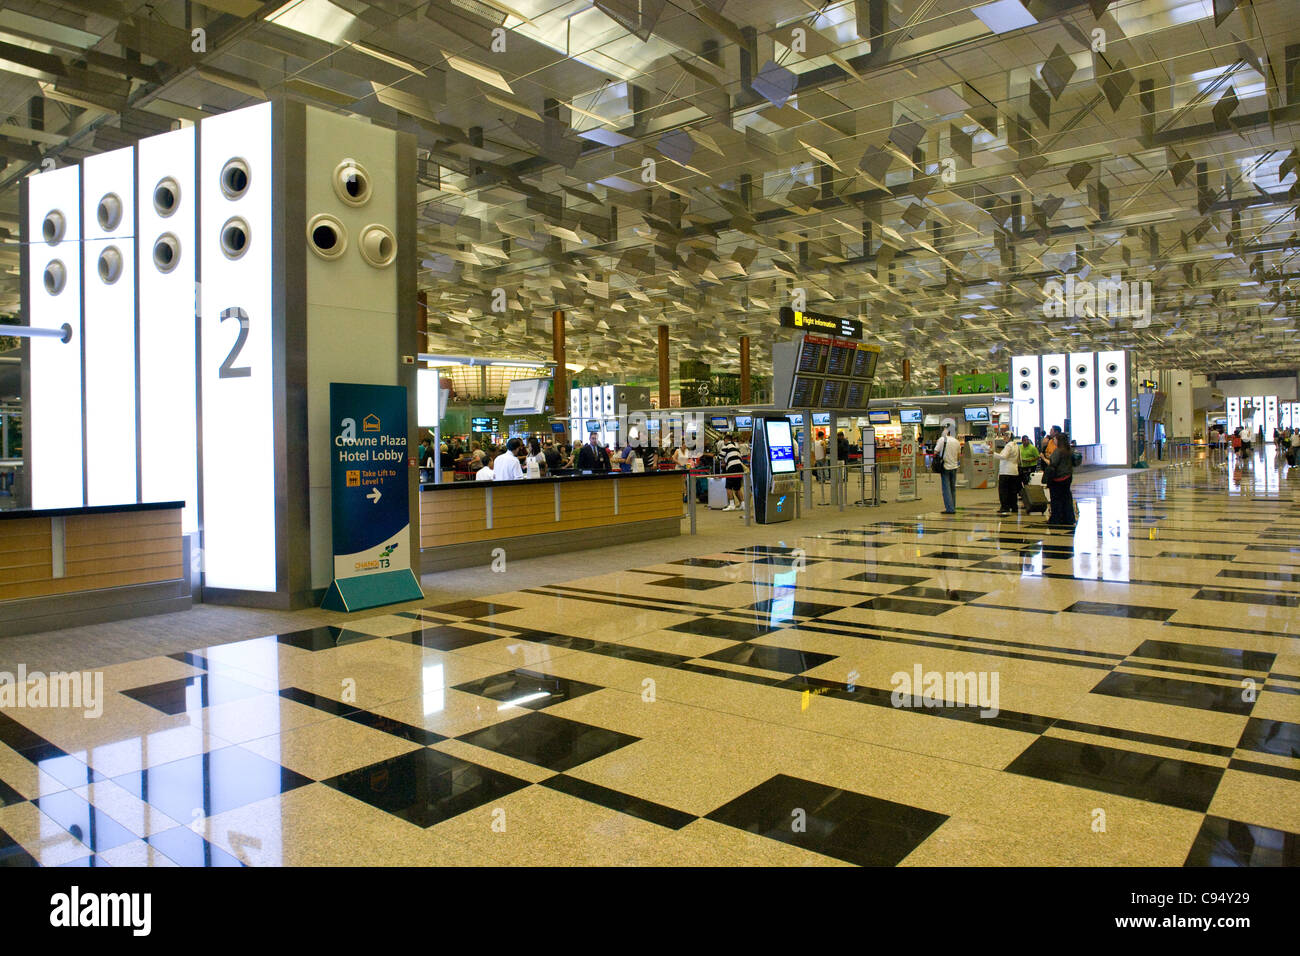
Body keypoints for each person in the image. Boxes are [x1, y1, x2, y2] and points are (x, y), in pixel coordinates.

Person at [1044, 430, 1075, 526]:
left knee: (1056, 500)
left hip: (1057, 479)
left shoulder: (1058, 451)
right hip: (1068, 477)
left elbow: (1052, 464)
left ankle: (1056, 518)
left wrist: (1043, 458)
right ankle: (1068, 518)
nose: (1054, 441)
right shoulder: (1069, 450)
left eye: (1055, 439)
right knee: (1066, 499)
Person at [934, 425, 960, 514]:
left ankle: (950, 509)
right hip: (954, 466)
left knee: (946, 489)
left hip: (945, 466)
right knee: (953, 488)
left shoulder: (942, 440)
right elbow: (958, 454)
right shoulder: (956, 441)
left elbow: (935, 451)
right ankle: (953, 506)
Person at [718, 432, 745, 512]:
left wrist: (717, 457)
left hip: (732, 467)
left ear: (726, 440)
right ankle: (743, 504)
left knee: (728, 487)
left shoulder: (726, 446)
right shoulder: (736, 448)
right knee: (737, 487)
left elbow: (720, 457)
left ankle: (732, 504)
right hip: (740, 467)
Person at [996, 437, 1021, 515]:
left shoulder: (1008, 446)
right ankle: (1014, 507)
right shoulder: (1016, 445)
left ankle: (1005, 507)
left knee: (1003, 491)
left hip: (1006, 471)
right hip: (1014, 471)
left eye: (1006, 436)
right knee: (1013, 491)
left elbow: (1004, 456)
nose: (1004, 438)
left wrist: (992, 453)